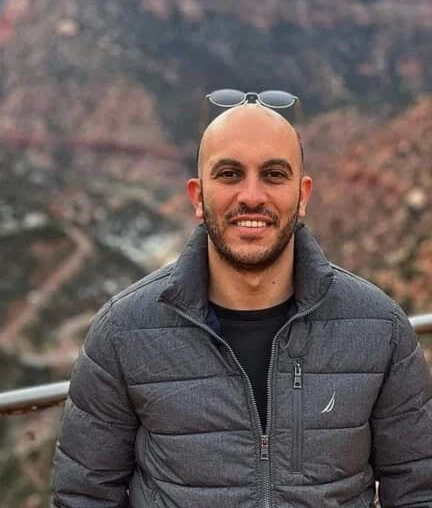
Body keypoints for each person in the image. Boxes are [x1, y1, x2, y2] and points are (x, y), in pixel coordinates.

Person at [52, 96, 432, 508]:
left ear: (303, 195)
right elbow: (84, 498)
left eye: (274, 174)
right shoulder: (123, 332)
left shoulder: (380, 329)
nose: (251, 195)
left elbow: (418, 490)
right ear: (197, 197)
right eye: (230, 174)